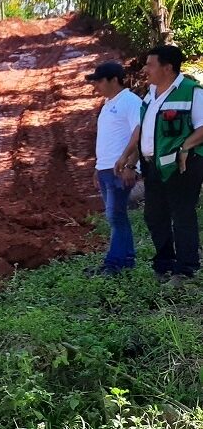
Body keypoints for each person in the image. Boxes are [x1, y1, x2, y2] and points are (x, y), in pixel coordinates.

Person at [115, 45, 203, 285]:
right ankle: (164, 265)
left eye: (150, 64)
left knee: (182, 214)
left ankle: (186, 270)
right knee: (155, 216)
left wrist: (185, 147)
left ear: (168, 67)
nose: (145, 69)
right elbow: (144, 131)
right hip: (153, 166)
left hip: (183, 165)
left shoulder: (191, 92)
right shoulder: (150, 94)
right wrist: (131, 160)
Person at [85, 61, 141, 276]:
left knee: (115, 216)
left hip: (120, 170)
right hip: (106, 169)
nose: (96, 86)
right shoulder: (108, 104)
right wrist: (98, 168)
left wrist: (130, 165)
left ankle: (114, 264)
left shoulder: (130, 101)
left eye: (99, 81)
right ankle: (125, 260)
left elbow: (139, 133)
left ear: (114, 80)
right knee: (117, 217)